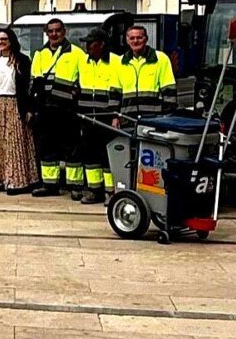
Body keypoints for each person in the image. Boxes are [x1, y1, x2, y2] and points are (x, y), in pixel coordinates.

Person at [29, 18, 84, 198]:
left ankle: (75, 186)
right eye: (50, 31)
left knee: (71, 148)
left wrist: (76, 95)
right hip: (46, 109)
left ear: (64, 31)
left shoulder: (76, 53)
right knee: (47, 148)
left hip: (67, 109)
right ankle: (49, 185)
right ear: (46, 33)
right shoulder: (40, 54)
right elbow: (35, 82)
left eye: (57, 30)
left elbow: (83, 81)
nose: (54, 34)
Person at [0, 28, 39, 196]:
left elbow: (28, 87)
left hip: (15, 103)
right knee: (2, 143)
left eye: (4, 39)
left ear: (11, 41)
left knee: (15, 142)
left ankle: (19, 181)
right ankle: (6, 178)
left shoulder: (22, 60)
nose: (1, 42)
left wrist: (29, 108)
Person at [77, 28, 121, 204]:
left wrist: (115, 115)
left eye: (91, 43)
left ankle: (111, 192)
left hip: (106, 117)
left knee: (108, 155)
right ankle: (94, 190)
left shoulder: (117, 62)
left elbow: (119, 90)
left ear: (101, 44)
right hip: (87, 117)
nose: (87, 46)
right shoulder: (83, 62)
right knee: (90, 154)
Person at [116, 25, 177, 119]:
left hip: (153, 119)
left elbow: (169, 90)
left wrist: (168, 115)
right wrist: (115, 116)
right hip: (127, 119)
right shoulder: (119, 62)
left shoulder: (161, 59)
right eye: (132, 38)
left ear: (146, 39)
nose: (135, 41)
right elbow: (115, 93)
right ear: (127, 41)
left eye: (139, 37)